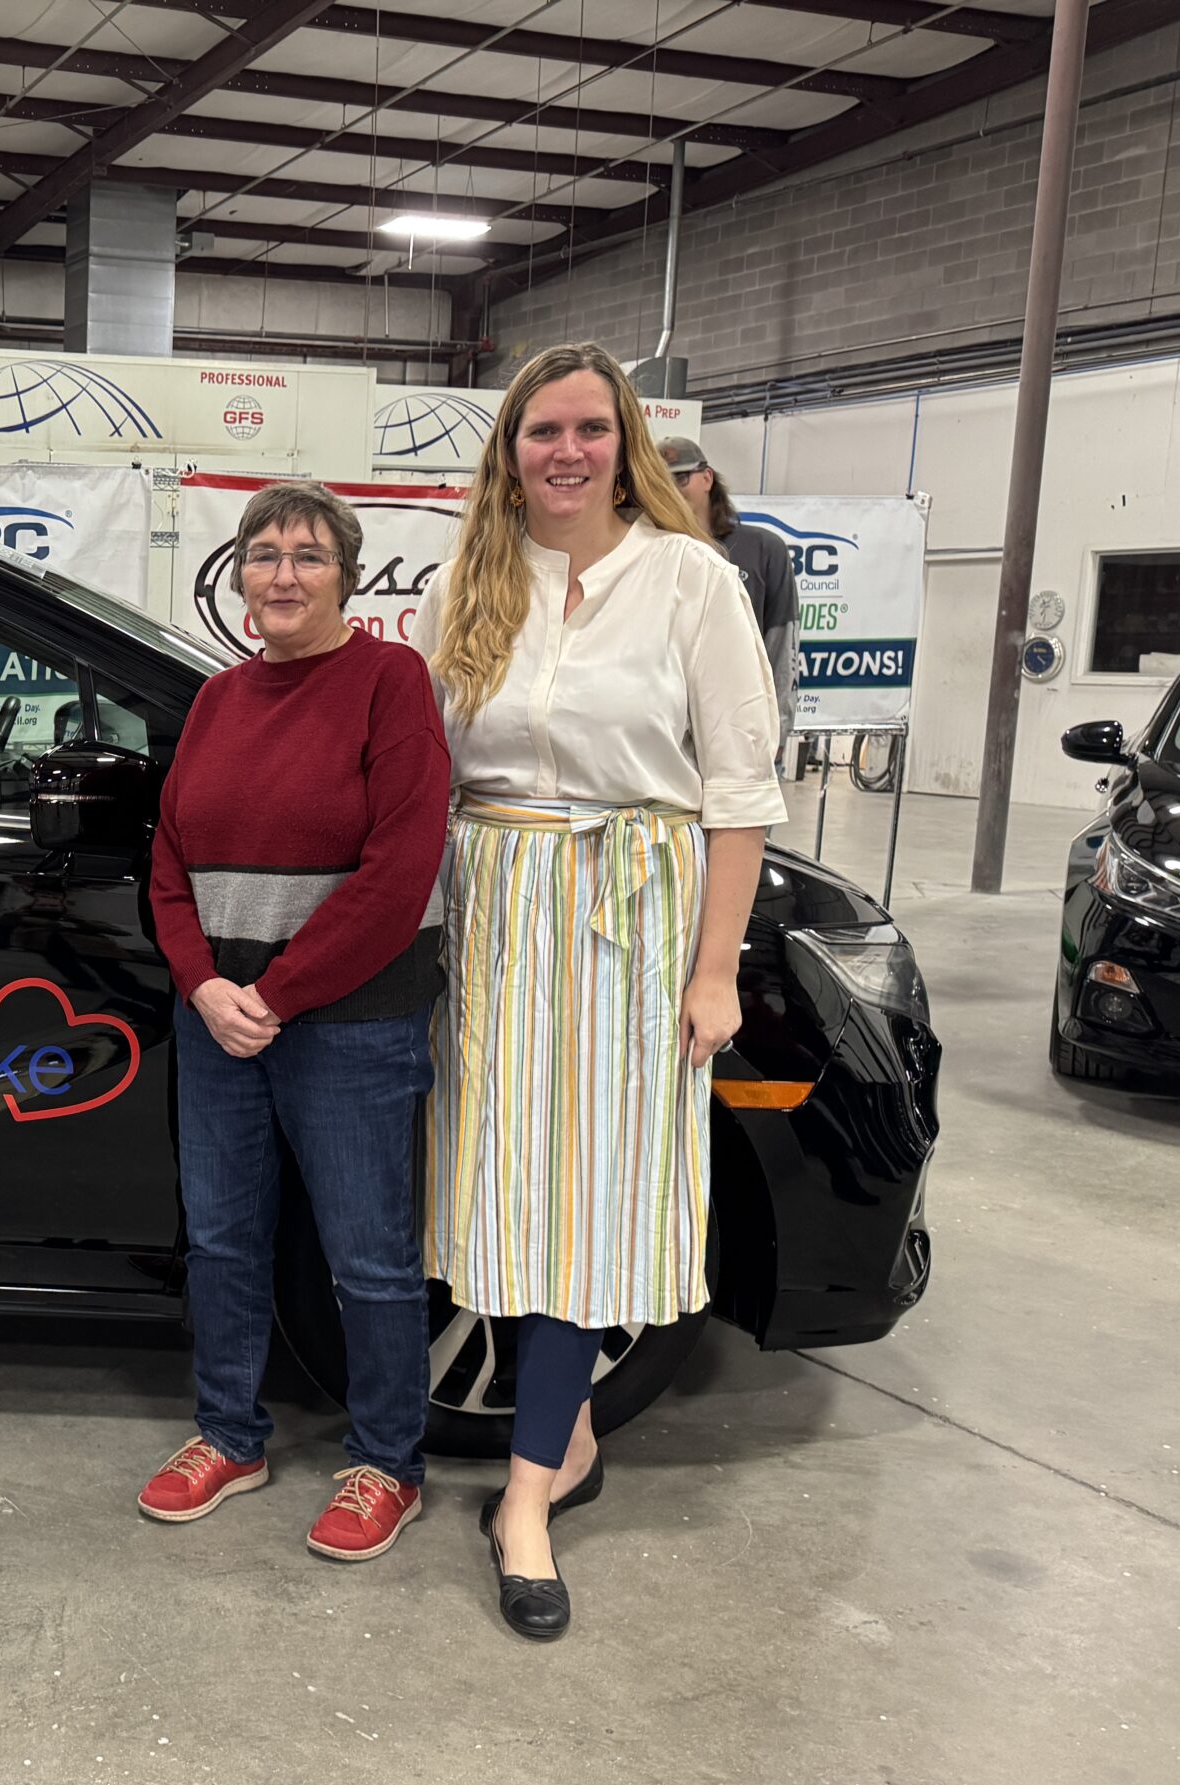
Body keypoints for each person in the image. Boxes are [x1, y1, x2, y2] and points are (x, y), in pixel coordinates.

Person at [420, 346, 786, 1641]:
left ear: (623, 441)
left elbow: (739, 793)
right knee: (496, 1191)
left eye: (587, 429)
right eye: (540, 431)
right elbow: (424, 769)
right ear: (508, 448)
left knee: (581, 1208)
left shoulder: (692, 581)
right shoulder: (471, 582)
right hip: (495, 914)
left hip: (630, 917)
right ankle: (564, 1435)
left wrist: (714, 969)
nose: (563, 452)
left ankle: (525, 1504)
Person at [142, 481, 452, 1563]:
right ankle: (229, 1435)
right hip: (218, 1018)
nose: (282, 574)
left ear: (346, 576)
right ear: (238, 574)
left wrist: (276, 993)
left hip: (349, 1021)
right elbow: (170, 862)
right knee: (224, 1242)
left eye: (308, 556)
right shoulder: (220, 699)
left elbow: (402, 868)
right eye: (263, 554)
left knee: (368, 1256)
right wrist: (204, 987)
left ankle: (387, 1463)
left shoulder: (388, 682)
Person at [662, 435, 801, 757]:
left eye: (681, 477)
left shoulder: (764, 549)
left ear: (707, 477)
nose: (671, 488)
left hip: (741, 731)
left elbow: (781, 642)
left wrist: (777, 726)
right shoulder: (648, 552)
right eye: (661, 481)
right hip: (668, 737)